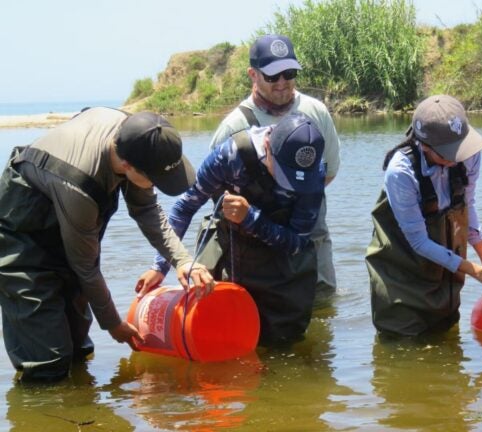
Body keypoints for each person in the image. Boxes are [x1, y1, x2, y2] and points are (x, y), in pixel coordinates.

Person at [0, 108, 214, 382]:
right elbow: (86, 268)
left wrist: (183, 261)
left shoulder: (140, 135)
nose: (157, 187)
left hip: (68, 219)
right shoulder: (79, 185)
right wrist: (113, 324)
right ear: (127, 166)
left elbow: (147, 210)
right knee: (47, 361)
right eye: (154, 180)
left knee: (78, 347)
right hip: (22, 232)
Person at [138, 113, 326, 346]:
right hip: (230, 251)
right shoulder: (231, 156)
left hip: (282, 266)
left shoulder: (314, 173)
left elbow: (297, 243)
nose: (288, 183)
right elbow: (185, 208)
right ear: (267, 145)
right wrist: (160, 265)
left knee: (283, 344)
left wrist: (251, 219)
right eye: (282, 172)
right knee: (216, 337)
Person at [366, 95, 482, 337]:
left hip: (443, 273)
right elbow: (419, 242)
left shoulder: (469, 155)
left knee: (446, 339)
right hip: (402, 272)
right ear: (424, 145)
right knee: (403, 344)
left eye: (460, 150)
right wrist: (475, 271)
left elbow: (467, 206)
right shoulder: (400, 173)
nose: (458, 159)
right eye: (449, 154)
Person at [209, 34, 340, 299]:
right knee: (259, 317)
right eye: (272, 77)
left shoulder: (316, 112)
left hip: (310, 238)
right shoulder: (235, 126)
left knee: (321, 310)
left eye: (289, 74)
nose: (282, 83)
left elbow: (330, 172)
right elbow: (216, 196)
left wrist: (298, 205)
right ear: (253, 75)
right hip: (254, 247)